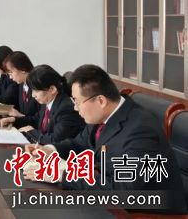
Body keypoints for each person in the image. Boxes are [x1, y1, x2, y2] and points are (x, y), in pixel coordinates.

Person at [24, 64, 187, 214]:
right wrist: (50, 150)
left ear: (101, 101)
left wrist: (62, 174)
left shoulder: (140, 129)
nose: (75, 108)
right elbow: (79, 143)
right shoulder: (104, 115)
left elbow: (123, 191)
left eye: (77, 102)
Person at [0, 64, 85, 144]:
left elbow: (55, 140)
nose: (33, 95)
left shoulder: (66, 109)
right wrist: (14, 120)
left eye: (36, 91)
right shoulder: (48, 100)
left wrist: (31, 131)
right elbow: (37, 120)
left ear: (52, 89)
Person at [3, 51, 40, 118]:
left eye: (11, 72)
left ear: (22, 69)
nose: (10, 77)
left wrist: (20, 116)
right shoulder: (21, 84)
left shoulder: (38, 86)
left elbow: (41, 119)